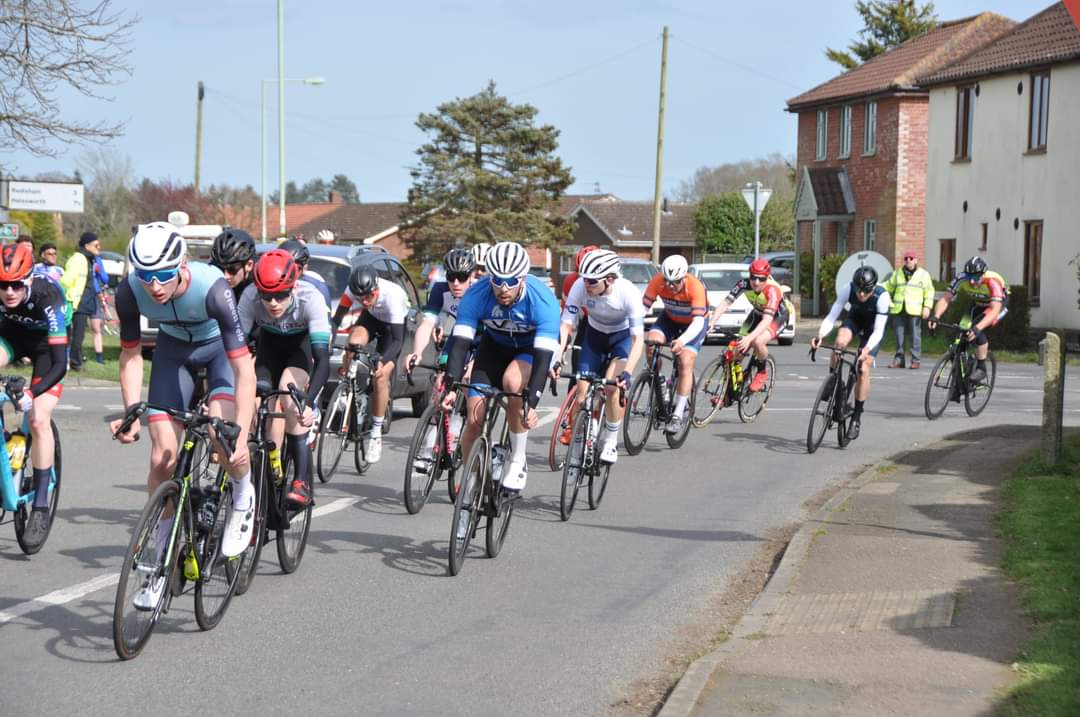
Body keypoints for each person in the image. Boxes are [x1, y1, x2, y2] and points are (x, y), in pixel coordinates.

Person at [110, 222, 255, 608]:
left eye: (162, 275)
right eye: (145, 276)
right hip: (173, 354)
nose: (154, 286)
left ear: (182, 264)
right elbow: (130, 355)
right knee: (162, 457)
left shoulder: (215, 290)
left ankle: (243, 492)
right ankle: (161, 546)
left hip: (218, 353)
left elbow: (245, 371)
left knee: (221, 438)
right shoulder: (129, 293)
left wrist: (240, 434)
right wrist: (130, 412)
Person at [440, 241, 560, 496]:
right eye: (498, 281)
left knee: (513, 383)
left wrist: (533, 402)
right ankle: (472, 480)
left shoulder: (544, 301)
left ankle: (518, 458)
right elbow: (460, 345)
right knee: (474, 419)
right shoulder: (476, 295)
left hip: (528, 351)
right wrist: (450, 384)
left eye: (511, 282)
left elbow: (542, 359)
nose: (504, 289)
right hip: (493, 348)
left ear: (523, 278)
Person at [238, 250, 330, 507]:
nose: (273, 303)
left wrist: (309, 403)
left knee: (289, 397)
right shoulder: (249, 296)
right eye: (266, 296)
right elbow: (235, 349)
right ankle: (265, 463)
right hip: (268, 350)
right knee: (254, 396)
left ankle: (301, 481)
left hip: (299, 351)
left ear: (294, 286)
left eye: (280, 295)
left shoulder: (311, 299)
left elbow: (322, 360)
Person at [0, 243, 67, 549]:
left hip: (46, 348)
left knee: (39, 419)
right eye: (2, 285)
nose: (9, 292)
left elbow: (60, 363)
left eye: (15, 284)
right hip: (11, 336)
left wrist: (31, 393)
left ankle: (40, 505)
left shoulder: (47, 296)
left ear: (28, 279)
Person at [554, 249, 644, 463]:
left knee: (612, 388)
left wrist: (628, 372)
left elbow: (637, 340)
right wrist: (557, 357)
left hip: (620, 340)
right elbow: (566, 325)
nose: (586, 284)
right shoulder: (579, 286)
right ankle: (577, 447)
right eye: (584, 279)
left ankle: (611, 441)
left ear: (610, 279)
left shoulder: (628, 293)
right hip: (594, 337)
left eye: (592, 281)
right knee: (581, 392)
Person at [329, 265, 409, 463]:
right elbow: (336, 320)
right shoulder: (354, 290)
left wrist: (381, 360)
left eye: (368, 297)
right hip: (372, 319)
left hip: (393, 329)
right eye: (360, 298)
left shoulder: (392, 297)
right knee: (353, 344)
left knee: (381, 377)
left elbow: (398, 341)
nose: (364, 301)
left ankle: (375, 432)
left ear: (376, 290)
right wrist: (328, 342)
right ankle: (349, 386)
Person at [810, 266, 891, 440]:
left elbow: (878, 331)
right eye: (859, 290)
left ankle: (857, 416)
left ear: (873, 287)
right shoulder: (849, 288)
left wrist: (866, 350)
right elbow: (832, 315)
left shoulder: (882, 297)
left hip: (872, 329)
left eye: (866, 291)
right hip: (855, 319)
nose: (861, 294)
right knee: (839, 343)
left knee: (863, 368)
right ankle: (833, 380)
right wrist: (820, 335)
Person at [641, 255, 709, 434]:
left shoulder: (695, 287)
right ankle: (661, 383)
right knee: (650, 344)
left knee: (685, 361)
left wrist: (682, 341)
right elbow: (642, 308)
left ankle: (678, 414)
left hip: (693, 324)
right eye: (667, 281)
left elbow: (698, 322)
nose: (670, 286)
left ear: (684, 277)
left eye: (675, 282)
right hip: (669, 318)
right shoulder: (657, 281)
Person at [708, 258, 789, 392]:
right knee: (736, 350)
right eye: (753, 277)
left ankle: (762, 371)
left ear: (767, 278)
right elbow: (725, 303)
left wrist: (749, 338)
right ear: (749, 275)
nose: (756, 282)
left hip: (777, 317)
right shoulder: (743, 284)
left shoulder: (773, 290)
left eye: (761, 279)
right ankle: (730, 392)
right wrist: (712, 321)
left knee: (758, 341)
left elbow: (767, 321)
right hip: (757, 314)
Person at [929, 256, 1007, 385]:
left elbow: (994, 310)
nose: (972, 281)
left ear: (983, 274)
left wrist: (977, 328)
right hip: (978, 303)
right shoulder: (961, 278)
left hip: (996, 306)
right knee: (962, 329)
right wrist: (936, 316)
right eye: (969, 276)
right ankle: (962, 371)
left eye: (976, 277)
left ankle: (981, 368)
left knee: (977, 330)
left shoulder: (992, 281)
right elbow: (946, 298)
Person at [404, 247, 477, 372]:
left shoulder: (481, 291)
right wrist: (417, 353)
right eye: (451, 276)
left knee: (469, 376)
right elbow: (427, 324)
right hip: (459, 333)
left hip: (483, 335)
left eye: (462, 277)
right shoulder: (440, 289)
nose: (456, 283)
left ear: (472, 276)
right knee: (443, 367)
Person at [883, 250, 934, 369]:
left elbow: (929, 292)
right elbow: (888, 286)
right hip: (898, 309)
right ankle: (899, 360)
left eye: (911, 258)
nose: (908, 260)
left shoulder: (923, 274)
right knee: (899, 336)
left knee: (915, 335)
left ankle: (915, 360)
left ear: (916, 260)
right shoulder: (897, 273)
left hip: (915, 311)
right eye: (906, 258)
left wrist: (927, 307)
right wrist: (875, 286)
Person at [60, 232, 102, 371]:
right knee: (75, 334)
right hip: (76, 302)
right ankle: (75, 362)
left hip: (83, 302)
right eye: (96, 245)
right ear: (87, 245)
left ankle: (74, 359)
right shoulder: (79, 259)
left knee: (78, 334)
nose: (99, 247)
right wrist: (69, 299)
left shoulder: (88, 259)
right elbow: (66, 280)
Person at [280, 237, 331, 308]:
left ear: (304, 268)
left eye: (295, 269)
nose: (288, 273)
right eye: (284, 266)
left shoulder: (316, 288)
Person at [210, 228, 257, 304]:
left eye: (232, 269)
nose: (226, 276)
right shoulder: (211, 271)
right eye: (220, 268)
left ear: (249, 265)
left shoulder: (259, 281)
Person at [88, 251, 110, 365]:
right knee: (78, 328)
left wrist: (98, 271)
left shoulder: (98, 260)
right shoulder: (81, 259)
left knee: (96, 328)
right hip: (83, 295)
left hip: (96, 296)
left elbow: (106, 278)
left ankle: (99, 357)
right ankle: (75, 354)